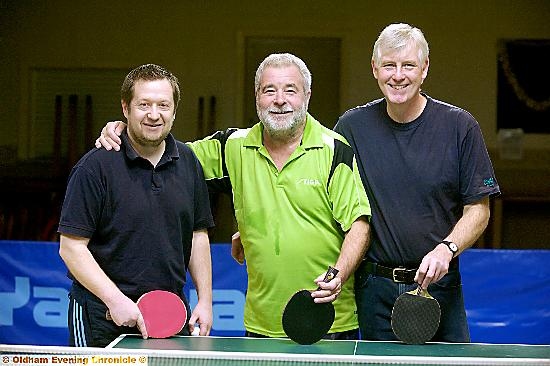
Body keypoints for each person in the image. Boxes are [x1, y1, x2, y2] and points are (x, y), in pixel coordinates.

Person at [95, 53, 372, 339]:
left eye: (290, 90)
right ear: (257, 97)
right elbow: (163, 153)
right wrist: (126, 130)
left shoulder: (334, 149)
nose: (279, 99)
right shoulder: (233, 147)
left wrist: (337, 274)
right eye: (269, 90)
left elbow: (359, 225)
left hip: (329, 324)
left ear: (307, 96)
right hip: (260, 325)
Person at [334, 23, 501, 342]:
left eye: (408, 65)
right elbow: (323, 197)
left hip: (440, 288)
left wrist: (446, 249)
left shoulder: (460, 127)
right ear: (375, 69)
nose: (398, 75)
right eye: (389, 65)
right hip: (374, 291)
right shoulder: (351, 128)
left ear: (424, 69)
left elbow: (479, 210)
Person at [58, 64, 214, 347]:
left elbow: (197, 234)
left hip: (169, 314)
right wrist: (115, 300)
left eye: (163, 105)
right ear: (126, 107)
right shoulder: (95, 167)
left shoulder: (189, 162)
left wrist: (205, 300)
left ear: (174, 110)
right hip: (102, 316)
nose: (154, 115)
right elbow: (71, 248)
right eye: (144, 104)